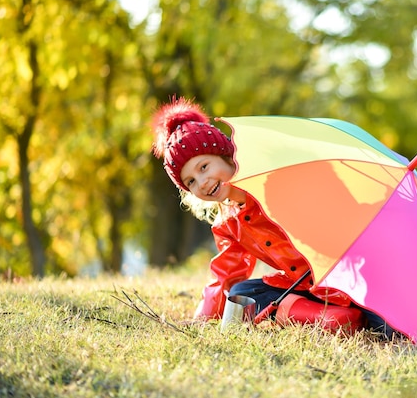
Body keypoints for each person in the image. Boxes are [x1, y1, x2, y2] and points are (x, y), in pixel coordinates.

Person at [151, 96, 395, 337]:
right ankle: (320, 317)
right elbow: (226, 273)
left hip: (346, 275)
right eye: (190, 182)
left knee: (392, 328)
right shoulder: (228, 222)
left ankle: (349, 314)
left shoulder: (274, 185)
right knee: (242, 292)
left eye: (204, 167)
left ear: (226, 156)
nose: (202, 183)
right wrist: (203, 319)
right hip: (301, 286)